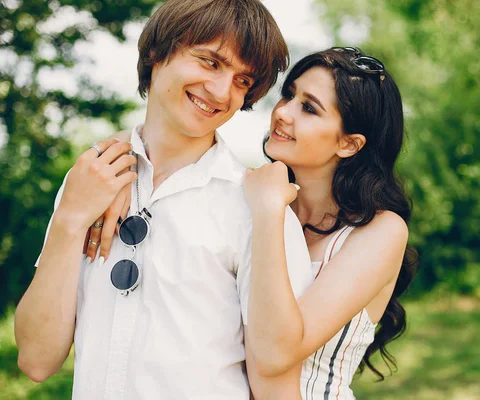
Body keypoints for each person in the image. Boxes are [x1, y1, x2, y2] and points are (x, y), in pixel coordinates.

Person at [14, 1, 314, 399]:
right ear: (157, 52)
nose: (223, 92)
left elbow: (276, 382)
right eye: (210, 62)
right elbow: (36, 360)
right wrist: (71, 219)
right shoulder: (90, 181)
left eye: (243, 81)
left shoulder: (257, 208)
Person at [243, 47, 418, 399]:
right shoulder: (254, 197)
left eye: (309, 108)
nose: (283, 113)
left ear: (349, 144)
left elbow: (277, 353)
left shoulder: (379, 232)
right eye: (289, 95)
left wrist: (267, 214)